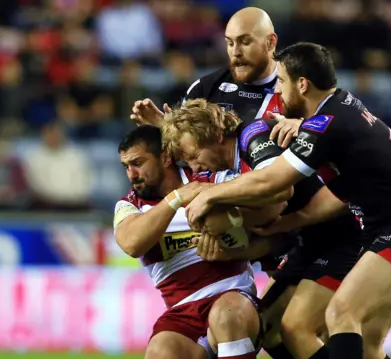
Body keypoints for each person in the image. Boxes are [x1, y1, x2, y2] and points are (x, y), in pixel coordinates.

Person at [185, 42, 391, 359]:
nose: (278, 93)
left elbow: (273, 181)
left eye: (281, 82)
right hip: (389, 229)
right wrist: (292, 220)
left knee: (340, 313)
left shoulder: (328, 125)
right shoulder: (338, 109)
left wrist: (209, 194)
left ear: (302, 84)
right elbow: (342, 185)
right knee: (366, 345)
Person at [162, 99, 379, 359]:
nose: (195, 168)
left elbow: (278, 192)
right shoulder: (232, 172)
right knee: (268, 328)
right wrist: (230, 250)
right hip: (308, 241)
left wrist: (209, 196)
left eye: (195, 156)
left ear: (217, 136)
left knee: (297, 328)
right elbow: (273, 231)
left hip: (343, 234)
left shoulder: (253, 135)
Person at [114, 125, 285, 359]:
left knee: (227, 317)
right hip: (182, 312)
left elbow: (275, 207)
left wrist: (230, 226)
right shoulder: (130, 205)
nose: (131, 174)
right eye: (126, 167)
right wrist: (177, 198)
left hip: (233, 295)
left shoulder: (210, 178)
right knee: (160, 352)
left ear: (164, 157)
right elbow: (132, 244)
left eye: (138, 163)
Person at [130, 7, 301, 146]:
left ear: (271, 42)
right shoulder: (206, 88)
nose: (236, 52)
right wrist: (165, 130)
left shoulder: (300, 88)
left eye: (245, 42)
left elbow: (325, 131)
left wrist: (303, 128)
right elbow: (188, 154)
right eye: (230, 43)